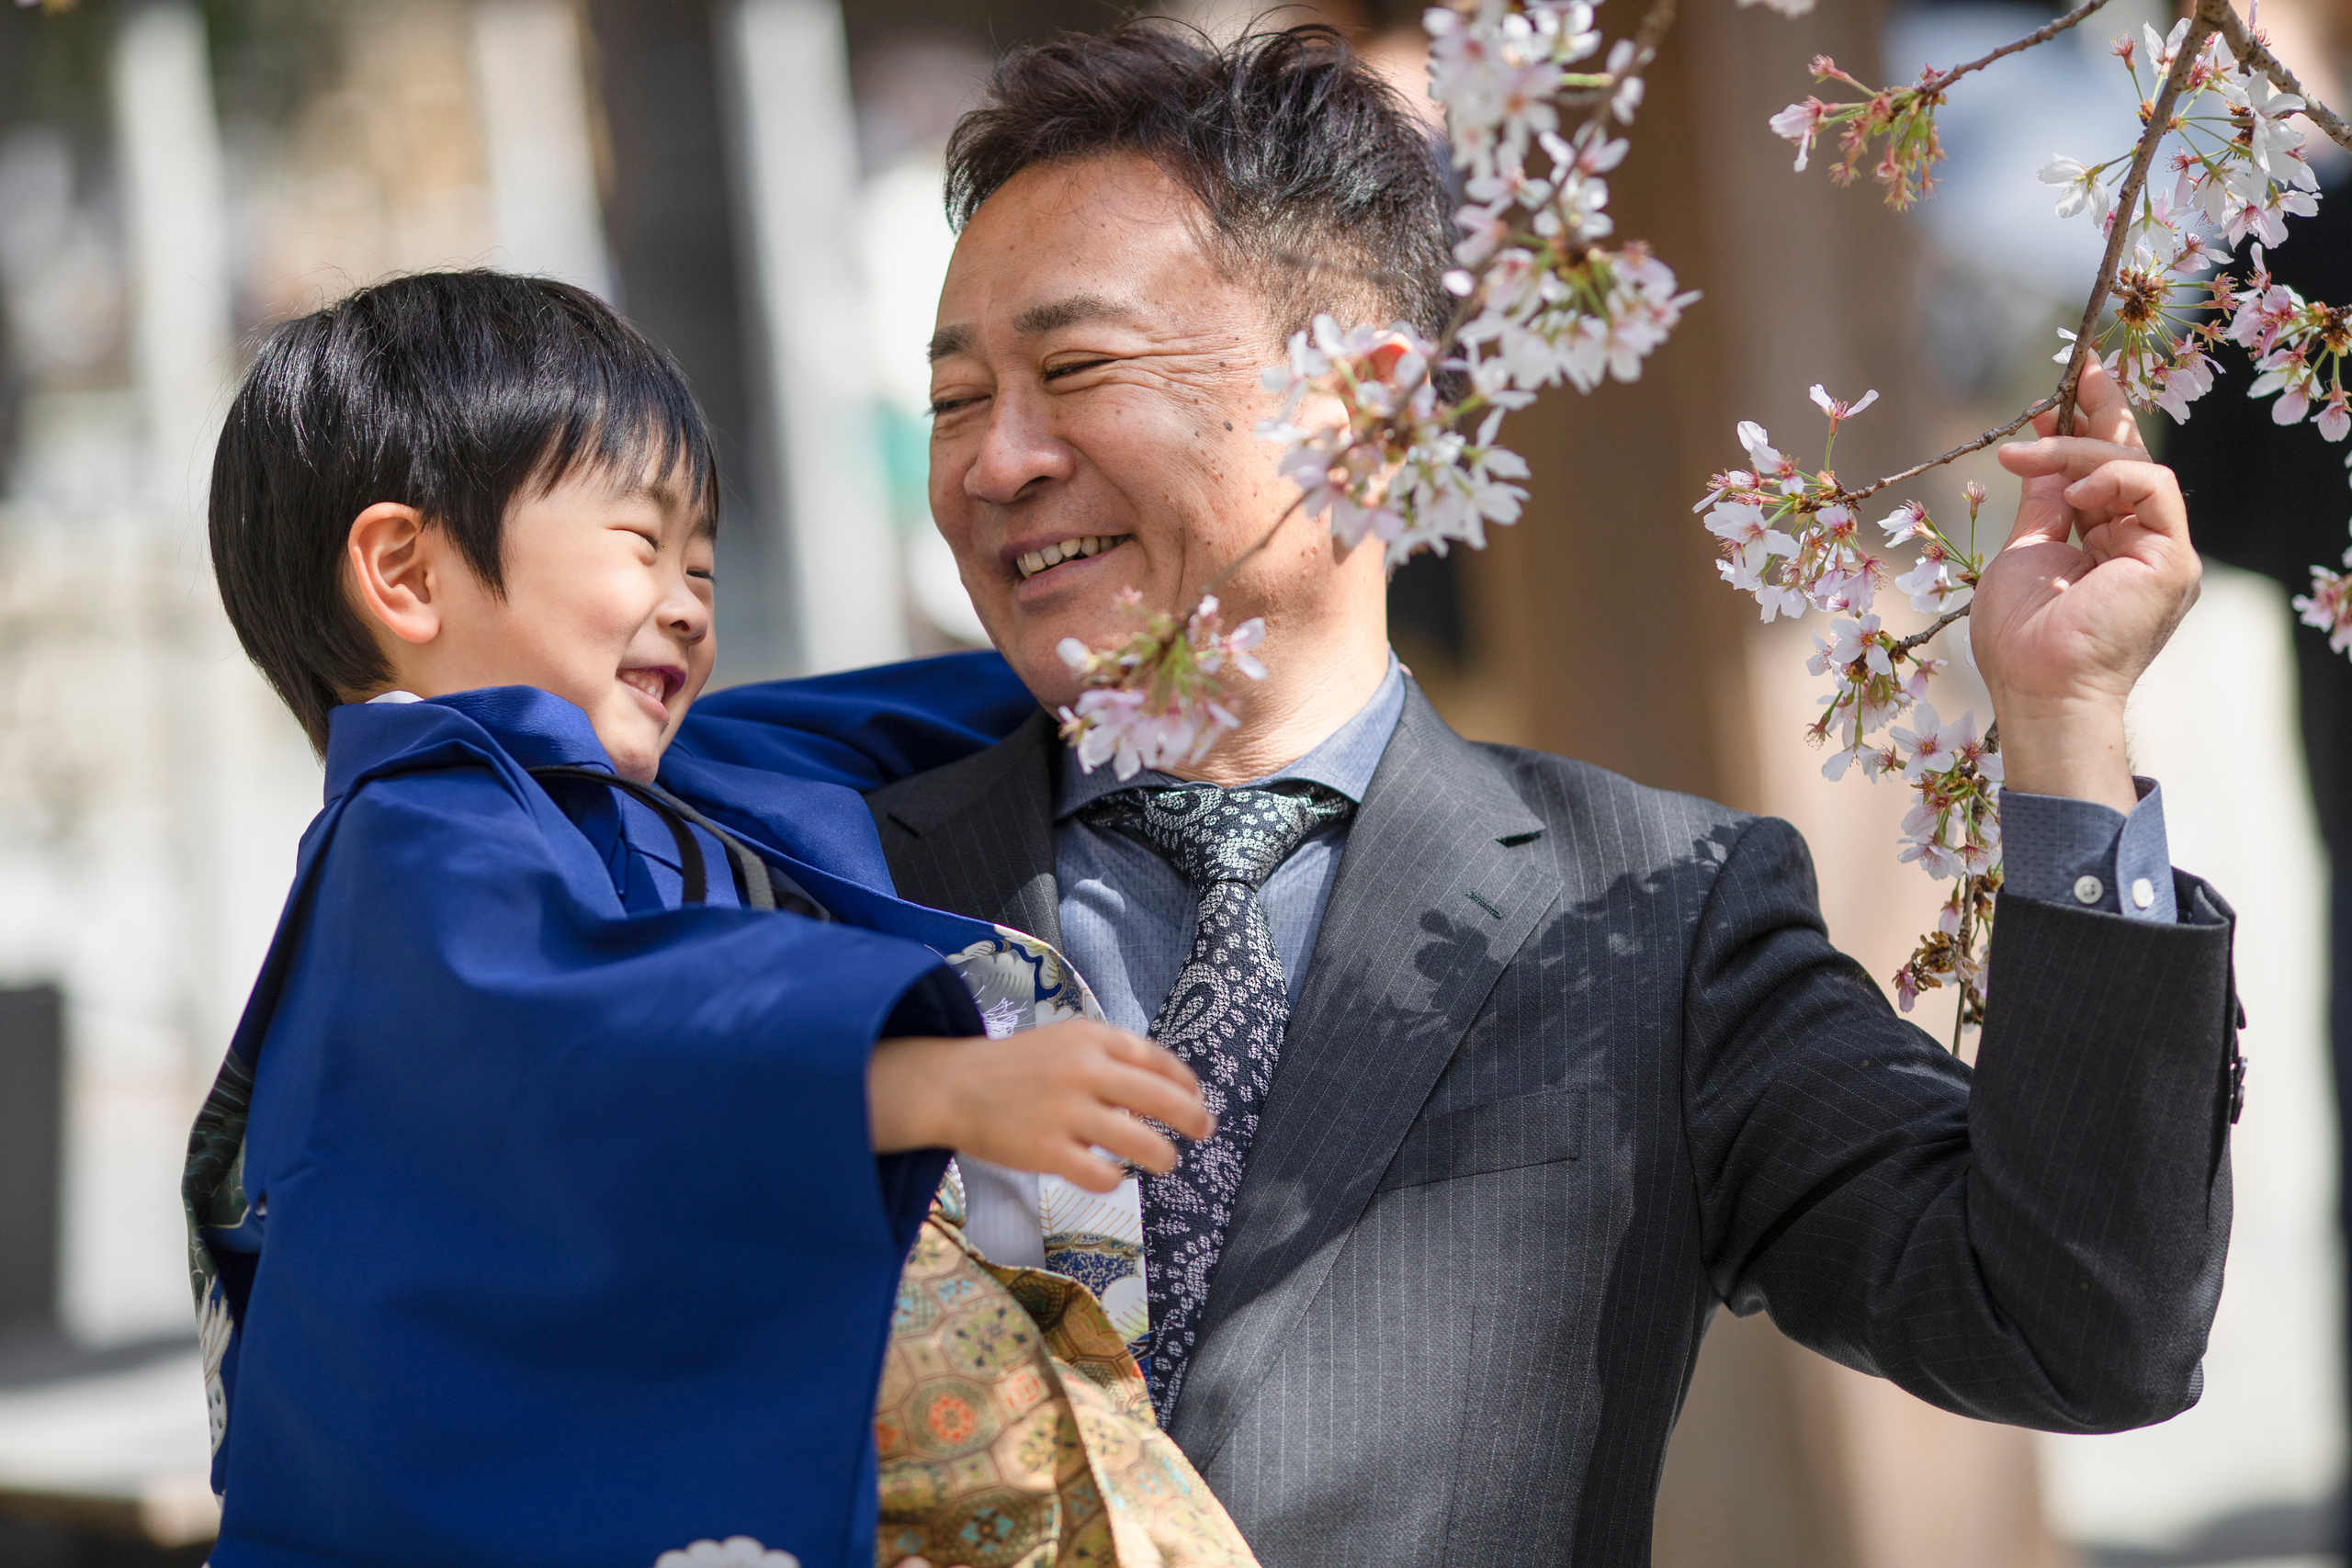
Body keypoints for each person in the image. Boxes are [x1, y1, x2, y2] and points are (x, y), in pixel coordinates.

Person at [685, 23, 2246, 1566]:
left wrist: (2061, 730)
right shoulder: (811, 881)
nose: (993, 462)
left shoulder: (1656, 913)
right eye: (958, 399)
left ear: (1359, 405)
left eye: (1075, 369)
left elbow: (2080, 1326)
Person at [185, 270, 1218, 1568]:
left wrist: (1181, 630)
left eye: (704, 563)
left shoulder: (657, 775)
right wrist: (933, 1085)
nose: (688, 600)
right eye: (640, 544)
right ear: (405, 571)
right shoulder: (415, 834)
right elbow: (572, 1044)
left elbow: (922, 709)